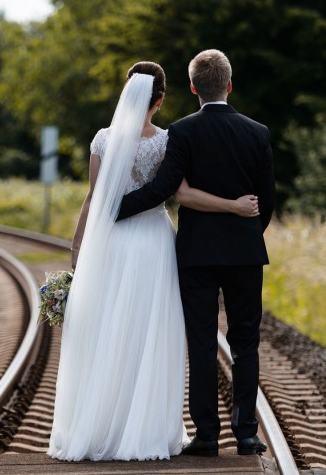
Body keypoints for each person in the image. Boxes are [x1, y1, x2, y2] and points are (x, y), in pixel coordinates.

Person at [48, 61, 258, 461]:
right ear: (159, 101)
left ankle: (101, 426)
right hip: (154, 243)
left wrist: (78, 250)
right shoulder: (167, 140)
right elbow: (178, 192)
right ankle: (147, 429)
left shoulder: (102, 140)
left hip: (109, 242)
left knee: (110, 329)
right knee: (150, 333)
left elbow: (93, 200)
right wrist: (232, 206)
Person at [117, 50, 275, 457]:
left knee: (201, 342)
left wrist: (112, 212)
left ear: (192, 89)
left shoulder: (182, 132)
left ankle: (206, 436)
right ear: (229, 85)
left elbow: (164, 189)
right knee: (245, 344)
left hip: (196, 254)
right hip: (244, 253)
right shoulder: (258, 132)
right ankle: (245, 435)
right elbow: (267, 202)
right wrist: (243, 233)